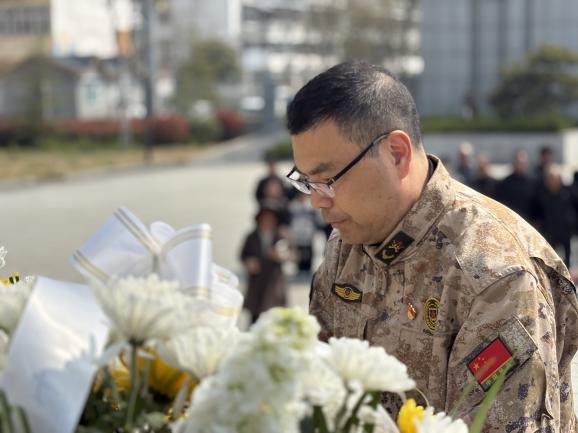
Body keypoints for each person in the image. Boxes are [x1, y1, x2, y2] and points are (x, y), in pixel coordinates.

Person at [285, 61, 578, 432]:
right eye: (306, 182)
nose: (316, 200)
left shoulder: (495, 276)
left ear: (396, 153)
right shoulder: (347, 243)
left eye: (327, 179)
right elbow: (319, 384)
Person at [240, 207, 289, 323]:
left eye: (270, 219)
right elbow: (243, 255)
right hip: (257, 281)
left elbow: (291, 254)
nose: (267, 222)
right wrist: (249, 262)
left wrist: (280, 256)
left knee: (274, 316)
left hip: (274, 280)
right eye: (264, 219)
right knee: (255, 318)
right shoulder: (252, 236)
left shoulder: (280, 235)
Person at [534, 165, 575, 267]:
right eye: (550, 178)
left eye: (555, 178)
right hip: (548, 233)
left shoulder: (567, 193)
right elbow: (536, 214)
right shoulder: (541, 195)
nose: (553, 181)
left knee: (567, 261)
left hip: (565, 232)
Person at [494, 149, 536, 223]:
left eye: (523, 162)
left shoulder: (534, 183)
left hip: (528, 223)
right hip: (510, 222)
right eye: (518, 162)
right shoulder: (505, 183)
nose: (521, 164)